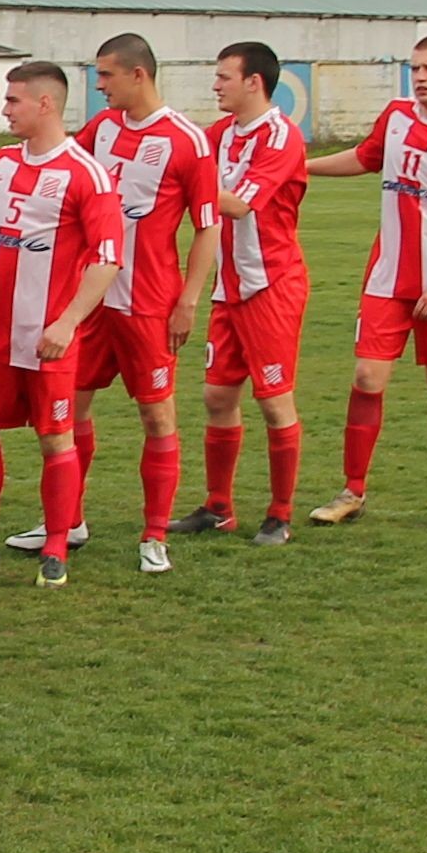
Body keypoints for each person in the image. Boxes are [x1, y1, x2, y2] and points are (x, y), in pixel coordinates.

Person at [1, 34, 218, 573]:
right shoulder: (102, 130)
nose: (98, 87)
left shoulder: (187, 141)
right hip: (89, 301)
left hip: (148, 302)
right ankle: (68, 522)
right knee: (68, 410)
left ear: (138, 75)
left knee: (157, 414)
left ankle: (153, 535)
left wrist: (189, 299)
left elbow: (208, 227)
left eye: (106, 76)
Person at [304, 35, 427, 534]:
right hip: (387, 279)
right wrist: (300, 168)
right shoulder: (396, 117)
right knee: (368, 378)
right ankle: (352, 491)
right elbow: (365, 158)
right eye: (414, 68)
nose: (420, 77)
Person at [0, 62, 122, 589]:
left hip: (49, 337)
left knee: (56, 439)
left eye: (13, 101)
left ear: (45, 104)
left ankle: (57, 545)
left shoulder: (86, 175)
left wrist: (69, 321)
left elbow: (106, 260)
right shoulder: (3, 165)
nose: (5, 110)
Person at [170, 41, 309, 546]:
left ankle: (280, 513)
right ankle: (219, 507)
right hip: (228, 287)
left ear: (254, 82)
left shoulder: (281, 137)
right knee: (217, 395)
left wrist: (169, 190)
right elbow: (178, 161)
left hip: (270, 285)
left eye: (224, 76)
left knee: (275, 401)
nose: (215, 85)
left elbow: (240, 205)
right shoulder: (218, 135)